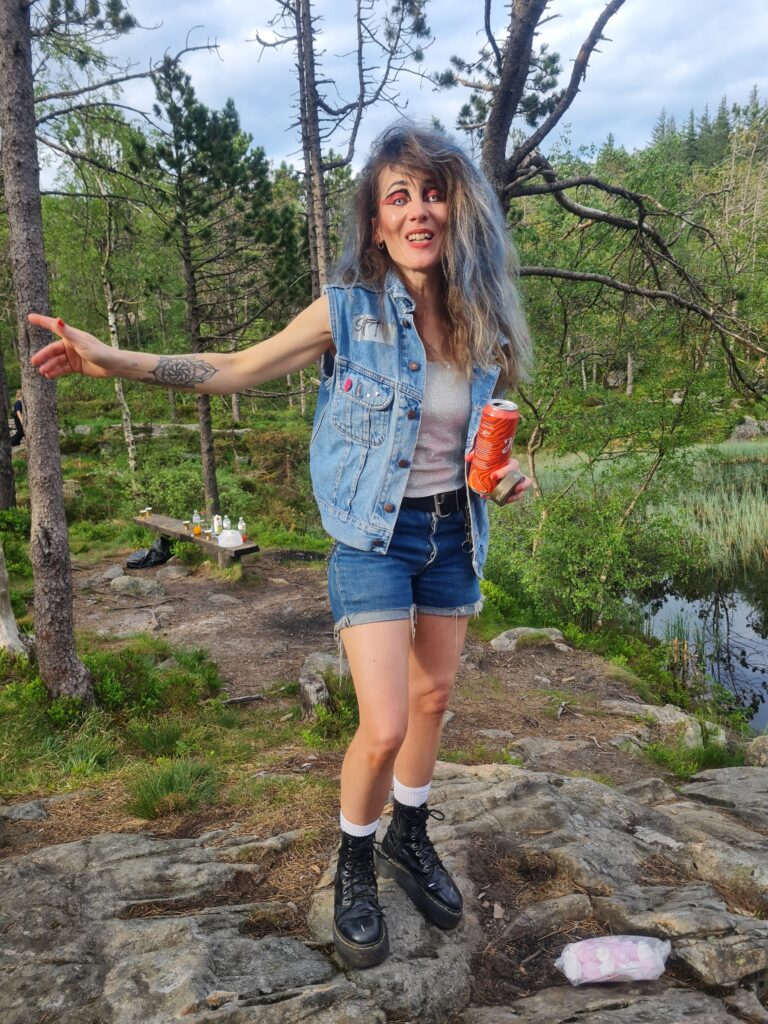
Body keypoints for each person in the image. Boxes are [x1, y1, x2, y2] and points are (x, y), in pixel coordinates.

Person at [30, 122, 532, 969]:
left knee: (434, 699)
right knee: (384, 724)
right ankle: (354, 862)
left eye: (433, 194)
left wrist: (509, 477)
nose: (418, 211)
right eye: (398, 197)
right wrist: (111, 358)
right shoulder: (348, 312)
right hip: (372, 541)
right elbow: (233, 367)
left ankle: (409, 835)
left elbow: (485, 444)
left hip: (454, 532)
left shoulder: (484, 323)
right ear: (376, 223)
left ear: (458, 210)